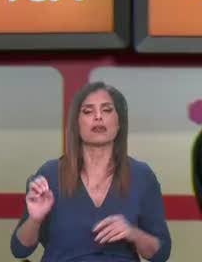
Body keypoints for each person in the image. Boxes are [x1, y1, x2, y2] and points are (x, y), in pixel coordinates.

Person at [10, 82, 172, 261]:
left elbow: (161, 254)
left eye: (107, 110)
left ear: (119, 122)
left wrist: (133, 233)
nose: (98, 117)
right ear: (76, 124)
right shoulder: (50, 173)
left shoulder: (142, 175)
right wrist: (35, 220)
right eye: (88, 111)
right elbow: (20, 250)